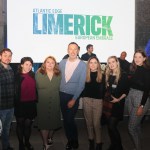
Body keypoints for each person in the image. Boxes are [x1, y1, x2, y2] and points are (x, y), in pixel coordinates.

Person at [59, 42, 86, 150]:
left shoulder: (83, 65)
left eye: (75, 49)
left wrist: (74, 99)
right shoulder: (62, 62)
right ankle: (69, 140)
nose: (73, 51)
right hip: (61, 95)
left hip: (72, 96)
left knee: (70, 119)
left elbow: (81, 84)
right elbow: (56, 76)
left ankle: (74, 140)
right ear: (67, 50)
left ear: (78, 50)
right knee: (65, 120)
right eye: (71, 49)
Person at [36, 56, 61, 150]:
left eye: (52, 62)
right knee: (43, 123)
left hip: (55, 100)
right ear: (44, 63)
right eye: (48, 62)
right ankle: (44, 143)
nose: (50, 64)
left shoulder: (59, 74)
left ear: (55, 64)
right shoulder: (38, 73)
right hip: (42, 102)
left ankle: (50, 137)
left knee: (53, 122)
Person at [127, 50, 150, 150]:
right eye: (135, 57)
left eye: (140, 57)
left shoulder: (147, 71)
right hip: (131, 96)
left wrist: (141, 106)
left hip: (141, 99)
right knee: (136, 125)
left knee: (131, 128)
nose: (137, 59)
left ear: (144, 58)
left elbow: (147, 90)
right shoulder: (133, 69)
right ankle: (139, 143)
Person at [105, 56, 129, 150]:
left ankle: (119, 147)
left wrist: (118, 99)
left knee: (112, 126)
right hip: (109, 104)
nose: (111, 64)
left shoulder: (123, 75)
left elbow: (126, 91)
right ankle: (113, 144)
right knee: (109, 127)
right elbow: (109, 89)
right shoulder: (109, 74)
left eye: (113, 62)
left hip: (117, 104)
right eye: (109, 62)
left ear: (117, 62)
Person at [82, 56, 105, 150]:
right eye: (91, 62)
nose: (93, 64)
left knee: (96, 123)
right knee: (89, 123)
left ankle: (99, 142)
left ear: (98, 64)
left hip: (98, 102)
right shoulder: (85, 75)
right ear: (88, 64)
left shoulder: (103, 76)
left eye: (95, 62)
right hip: (86, 100)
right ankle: (91, 140)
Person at [14, 57, 37, 150]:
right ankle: (21, 144)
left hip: (31, 104)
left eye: (30, 65)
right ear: (22, 65)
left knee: (28, 125)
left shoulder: (33, 75)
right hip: (20, 105)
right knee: (20, 125)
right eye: (26, 64)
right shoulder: (16, 76)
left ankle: (27, 142)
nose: (28, 66)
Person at [0, 48, 15, 150]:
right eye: (5, 55)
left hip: (10, 105)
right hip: (1, 106)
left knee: (6, 129)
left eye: (9, 56)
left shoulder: (10, 68)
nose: (7, 58)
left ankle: (6, 147)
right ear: (0, 56)